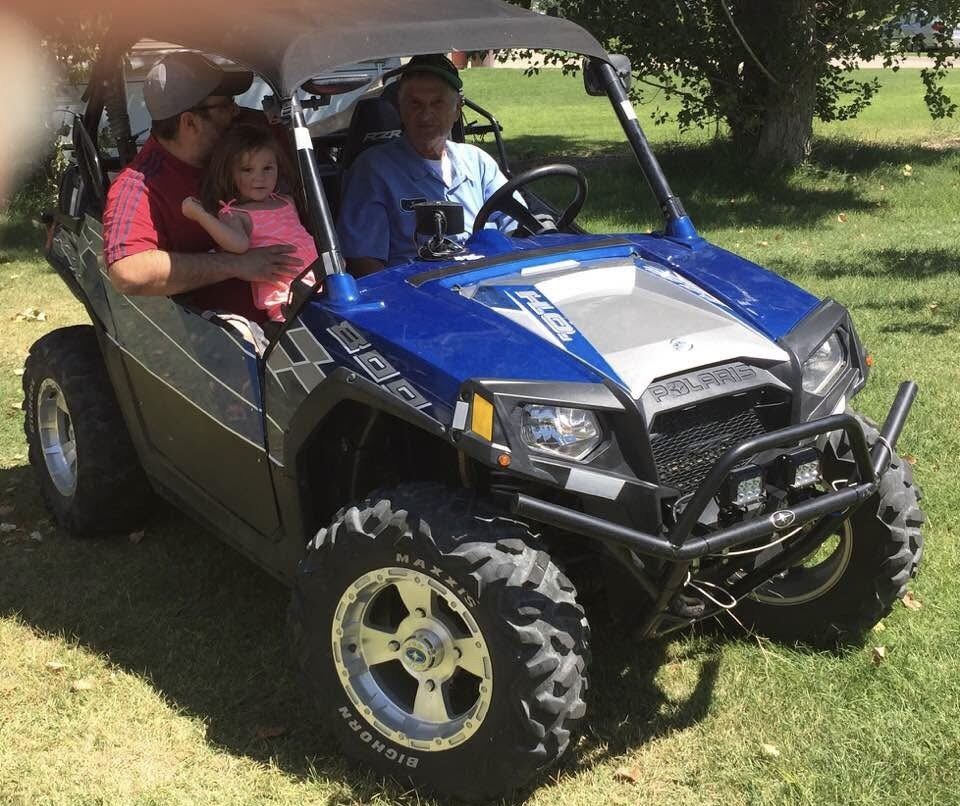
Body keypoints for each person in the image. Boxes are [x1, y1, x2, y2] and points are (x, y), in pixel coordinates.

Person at [102, 52, 300, 321]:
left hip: (303, 304)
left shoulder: (243, 136)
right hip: (229, 340)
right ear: (190, 122)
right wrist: (237, 264)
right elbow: (128, 271)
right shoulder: (140, 186)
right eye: (226, 105)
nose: (236, 111)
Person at [337, 54, 514, 276]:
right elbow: (365, 262)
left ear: (457, 108)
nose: (426, 115)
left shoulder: (477, 162)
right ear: (401, 109)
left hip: (494, 281)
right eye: (415, 104)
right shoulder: (373, 170)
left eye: (437, 103)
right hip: (418, 293)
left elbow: (519, 225)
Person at [181, 124, 318, 321]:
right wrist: (201, 214)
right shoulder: (235, 214)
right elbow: (238, 244)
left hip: (319, 281)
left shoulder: (285, 201)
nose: (259, 178)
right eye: (247, 170)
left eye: (268, 168)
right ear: (231, 174)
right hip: (285, 297)